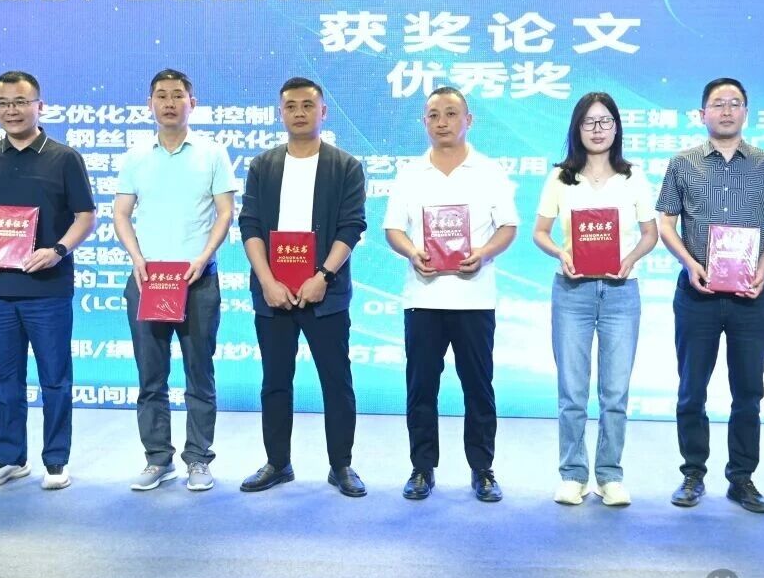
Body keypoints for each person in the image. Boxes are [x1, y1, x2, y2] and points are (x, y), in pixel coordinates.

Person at [657, 77, 764, 514]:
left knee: (748, 392)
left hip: (750, 297)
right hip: (696, 294)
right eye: (718, 104)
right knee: (691, 390)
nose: (727, 110)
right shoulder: (682, 163)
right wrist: (689, 263)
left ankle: (742, 478)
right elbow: (665, 223)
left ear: (746, 113)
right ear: (702, 114)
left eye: (735, 103)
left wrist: (763, 272)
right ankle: (692, 474)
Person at [384, 86, 519, 502]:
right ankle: (421, 468)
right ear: (424, 122)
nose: (441, 122)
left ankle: (483, 469)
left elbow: (508, 227)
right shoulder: (410, 173)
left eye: (451, 113)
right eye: (433, 115)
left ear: (468, 120)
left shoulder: (490, 171)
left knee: (478, 387)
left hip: (474, 299)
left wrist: (483, 253)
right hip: (422, 299)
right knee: (421, 388)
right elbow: (393, 229)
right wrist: (412, 252)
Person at [0, 71, 96, 491]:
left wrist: (58, 250)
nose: (12, 110)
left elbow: (86, 217)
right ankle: (9, 457)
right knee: (3, 378)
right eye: (3, 103)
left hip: (47, 289)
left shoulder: (64, 157)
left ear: (40, 105)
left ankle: (55, 460)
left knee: (55, 378)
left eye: (21, 102)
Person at [237, 77, 368, 497]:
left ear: (322, 112)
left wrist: (323, 276)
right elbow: (250, 225)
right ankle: (278, 463)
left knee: (336, 381)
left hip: (324, 293)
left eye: (307, 105)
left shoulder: (344, 166)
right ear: (281, 113)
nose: (299, 112)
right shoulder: (263, 166)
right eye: (290, 106)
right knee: (275, 382)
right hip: (273, 295)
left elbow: (351, 227)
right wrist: (267, 281)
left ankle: (341, 465)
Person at [533, 93, 657, 508]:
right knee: (571, 391)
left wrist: (630, 259)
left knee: (615, 393)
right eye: (589, 122)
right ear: (577, 128)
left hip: (622, 292)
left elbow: (650, 234)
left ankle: (610, 475)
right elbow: (540, 232)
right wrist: (561, 253)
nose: (598, 129)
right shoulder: (560, 178)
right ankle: (572, 474)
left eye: (605, 121)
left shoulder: (633, 176)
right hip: (573, 292)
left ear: (617, 127)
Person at [114, 70, 235, 492]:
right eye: (161, 96)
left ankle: (198, 458)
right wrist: (137, 258)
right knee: (151, 376)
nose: (169, 103)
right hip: (148, 280)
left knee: (199, 374)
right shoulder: (135, 156)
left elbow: (225, 212)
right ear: (149, 104)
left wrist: (204, 256)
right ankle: (157, 459)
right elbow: (121, 213)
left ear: (192, 103)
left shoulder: (212, 153)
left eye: (177, 95)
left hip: (196, 280)